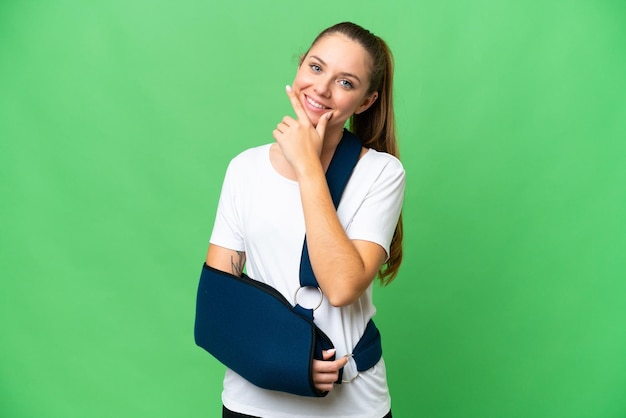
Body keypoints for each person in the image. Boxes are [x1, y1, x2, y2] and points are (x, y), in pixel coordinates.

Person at [205, 21, 405, 418]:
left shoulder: (381, 173)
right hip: (252, 399)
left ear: (365, 102)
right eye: (316, 68)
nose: (322, 89)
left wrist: (308, 167)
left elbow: (342, 286)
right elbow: (219, 301)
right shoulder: (245, 168)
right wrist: (285, 360)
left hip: (352, 405)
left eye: (346, 83)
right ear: (299, 68)